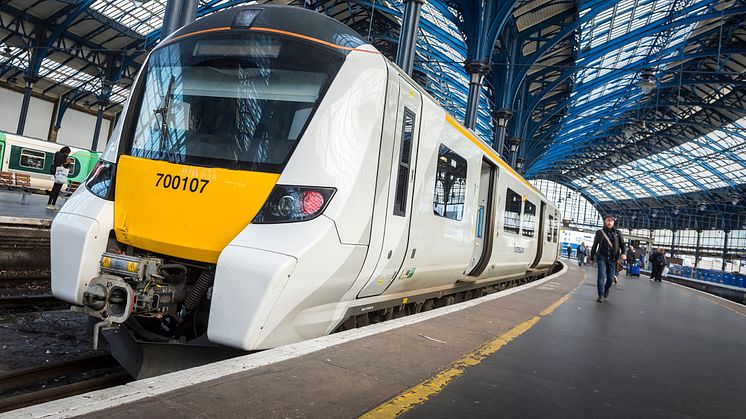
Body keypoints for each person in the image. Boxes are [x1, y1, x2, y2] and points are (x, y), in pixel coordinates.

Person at [590, 216, 627, 302]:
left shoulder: (618, 233)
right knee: (601, 276)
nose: (609, 222)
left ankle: (606, 289)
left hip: (613, 259)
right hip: (602, 258)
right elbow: (595, 245)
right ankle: (600, 295)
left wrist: (624, 253)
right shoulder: (599, 232)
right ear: (604, 222)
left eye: (611, 221)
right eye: (608, 221)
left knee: (610, 279)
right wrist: (592, 257)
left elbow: (623, 244)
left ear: (613, 223)